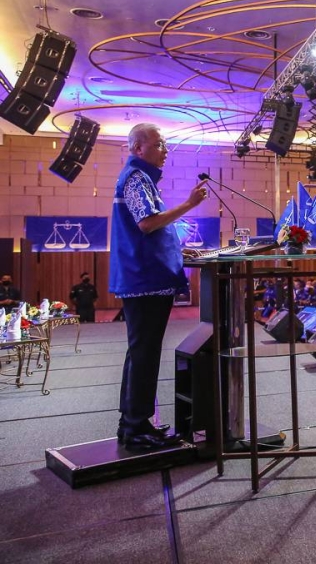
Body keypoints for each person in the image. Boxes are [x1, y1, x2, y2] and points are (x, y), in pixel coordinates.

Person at [110, 123, 208, 450]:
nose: (165, 150)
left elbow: (152, 227)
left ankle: (134, 424)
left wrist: (179, 247)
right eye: (159, 144)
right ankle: (136, 428)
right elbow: (148, 223)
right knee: (144, 355)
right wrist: (190, 204)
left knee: (142, 354)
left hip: (145, 278)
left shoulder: (140, 178)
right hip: (145, 280)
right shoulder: (137, 178)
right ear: (139, 148)